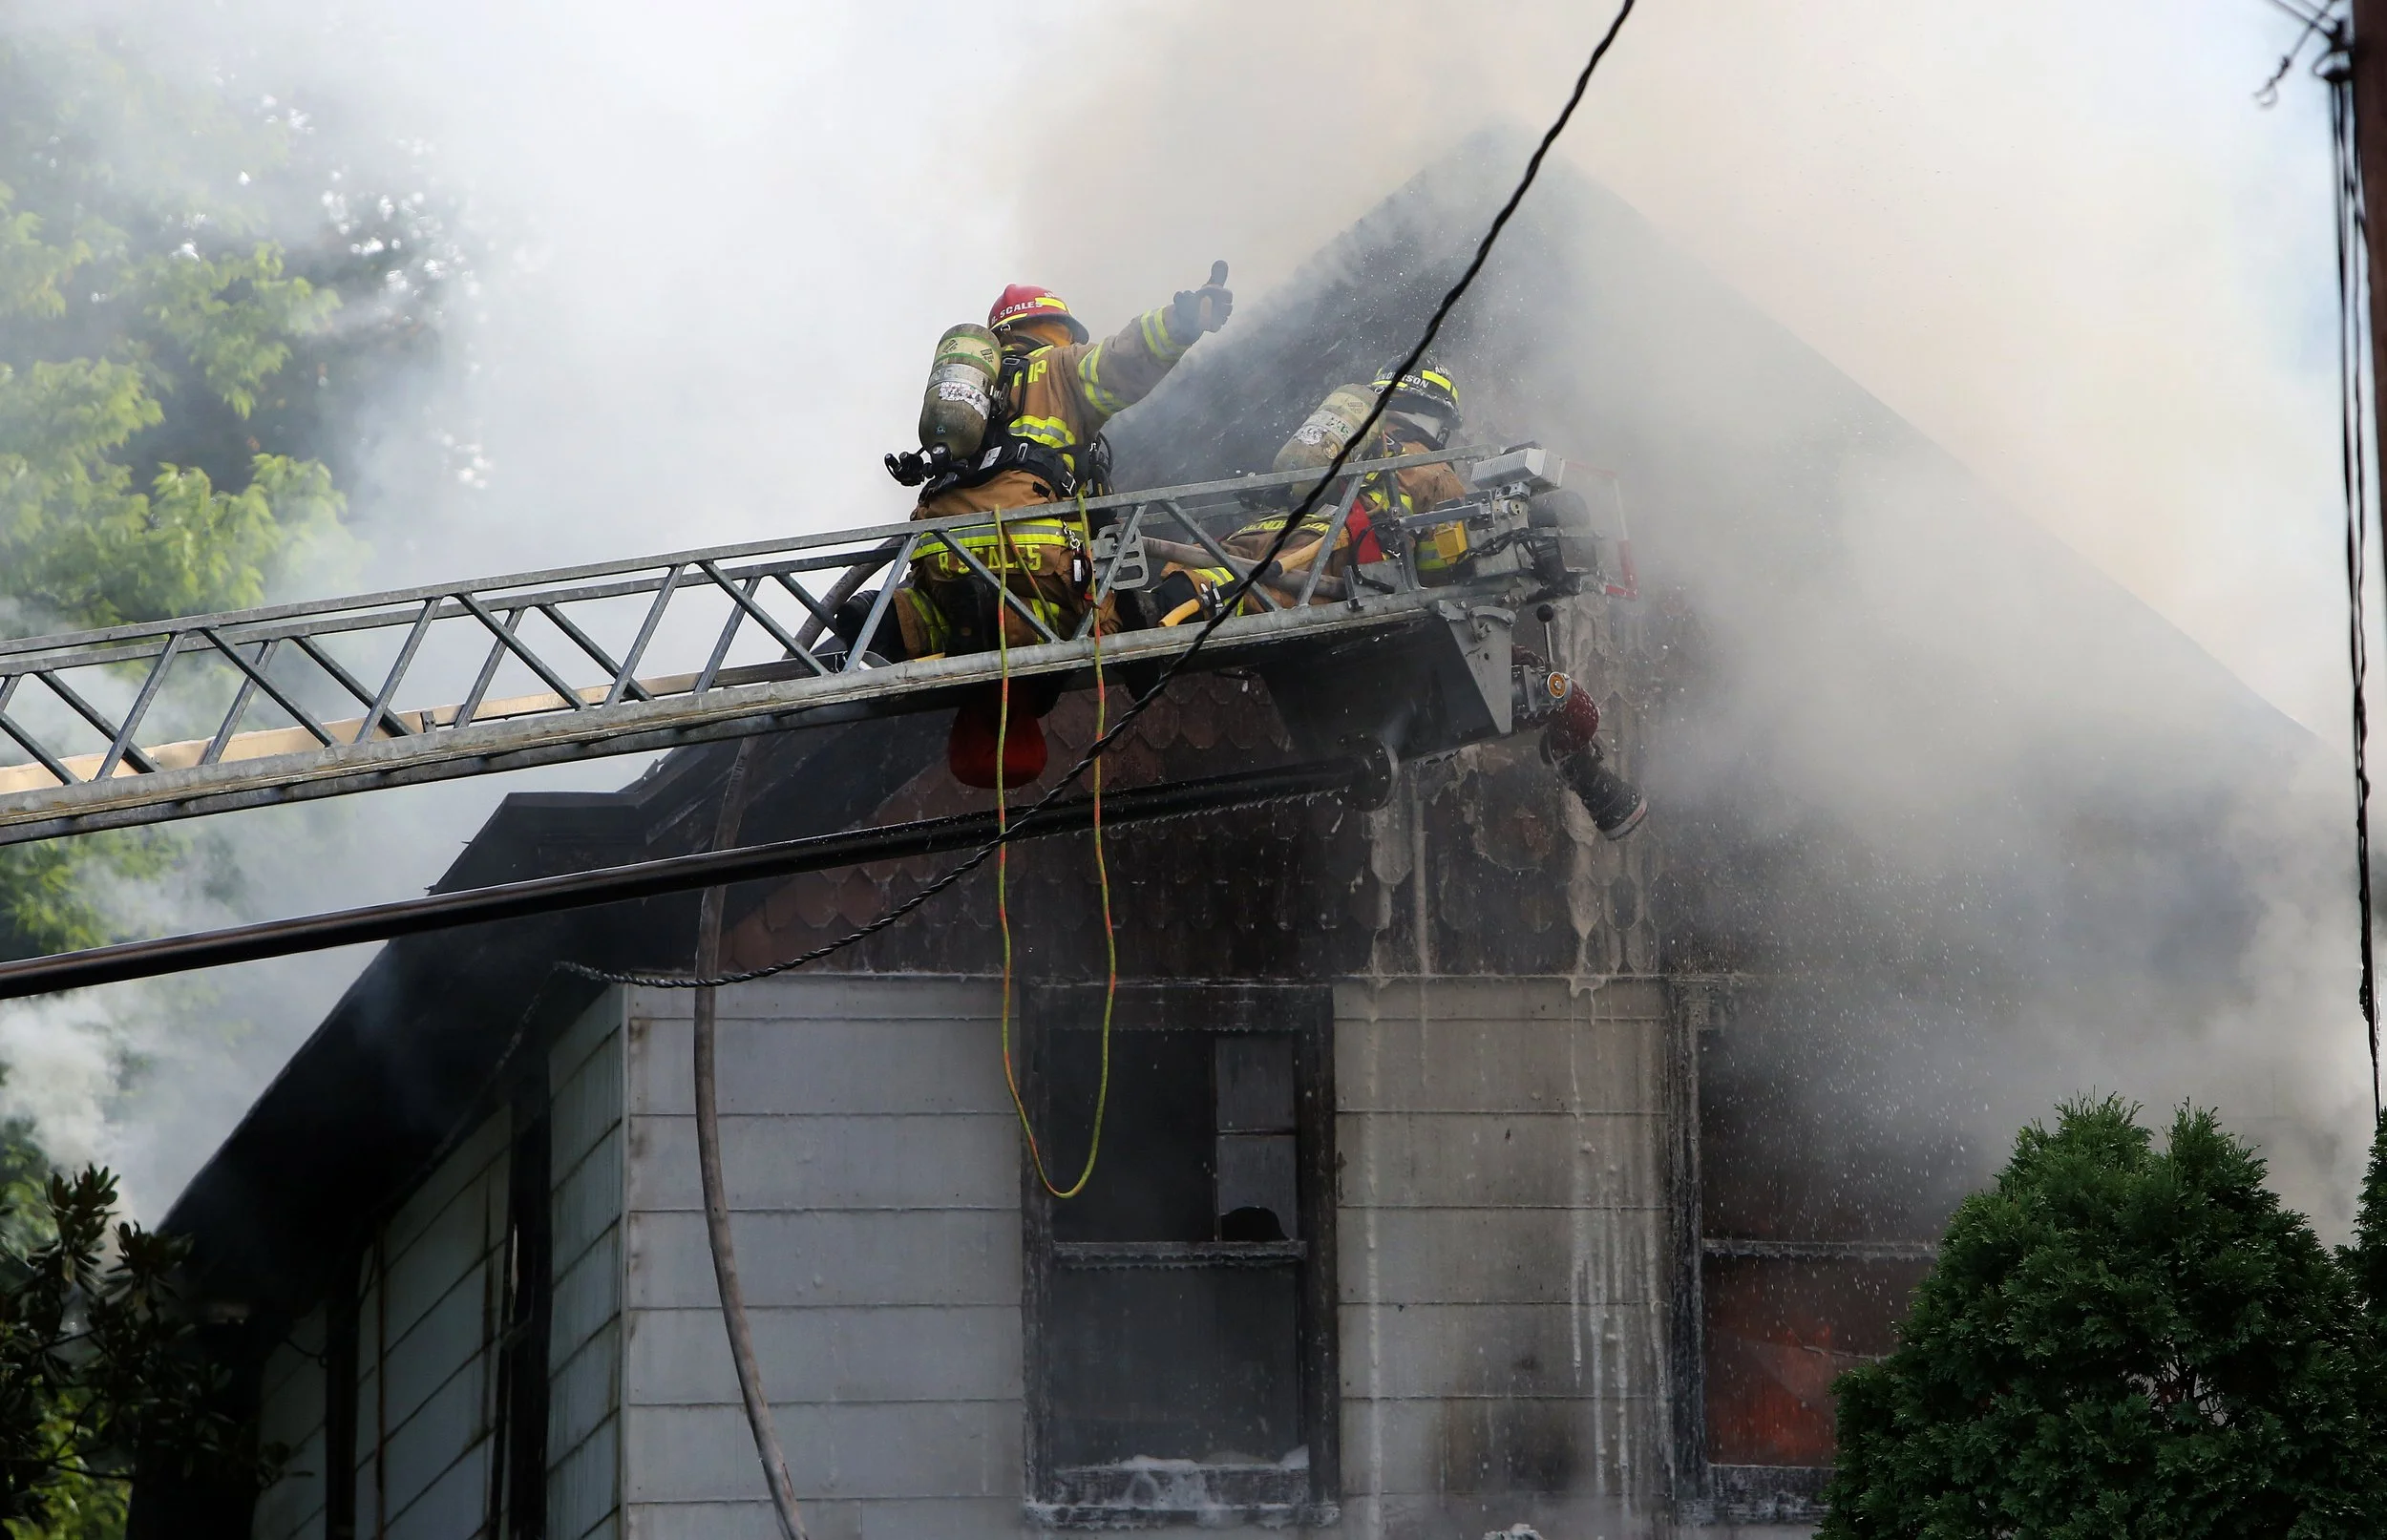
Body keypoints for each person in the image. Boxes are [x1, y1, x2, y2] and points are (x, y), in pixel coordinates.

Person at [873, 268, 1231, 786]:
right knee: (1107, 624)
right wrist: (1181, 322)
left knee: (940, 614)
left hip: (943, 559)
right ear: (1056, 328)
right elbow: (1127, 359)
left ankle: (896, 621)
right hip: (1033, 560)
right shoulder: (1059, 369)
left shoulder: (968, 398)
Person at [1147, 361, 1470, 624]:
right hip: (1337, 556)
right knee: (1250, 593)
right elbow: (1441, 578)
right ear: (1434, 416)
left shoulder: (1351, 441)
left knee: (1209, 573)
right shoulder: (1436, 471)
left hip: (1277, 529)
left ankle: (1137, 609)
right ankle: (1167, 608)